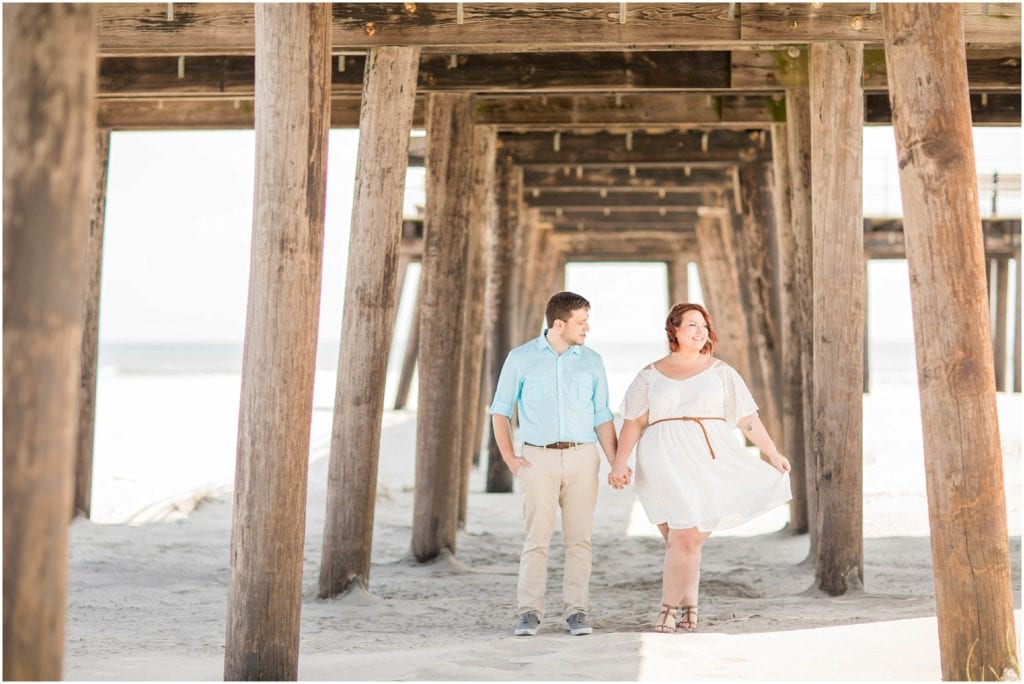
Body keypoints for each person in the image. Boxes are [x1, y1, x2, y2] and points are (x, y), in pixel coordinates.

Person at [609, 302, 791, 633]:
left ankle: (668, 609)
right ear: (674, 330)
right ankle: (690, 606)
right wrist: (620, 463)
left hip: (708, 459)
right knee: (680, 541)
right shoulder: (650, 373)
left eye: (704, 326)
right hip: (661, 461)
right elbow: (633, 422)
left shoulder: (721, 372)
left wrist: (772, 453)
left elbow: (747, 419)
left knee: (687, 539)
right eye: (692, 325)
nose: (700, 331)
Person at [490, 291, 623, 637]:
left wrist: (616, 464)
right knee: (536, 539)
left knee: (580, 540)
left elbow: (602, 415)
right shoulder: (520, 359)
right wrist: (511, 459)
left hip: (583, 457)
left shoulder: (592, 361)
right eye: (581, 322)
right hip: (537, 459)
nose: (587, 328)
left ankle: (576, 611)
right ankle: (529, 612)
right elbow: (500, 411)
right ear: (559, 324)